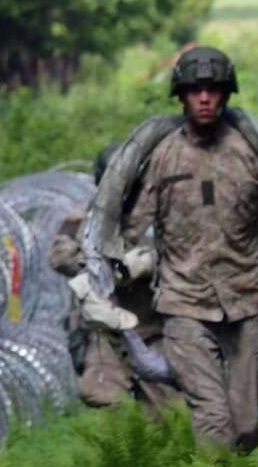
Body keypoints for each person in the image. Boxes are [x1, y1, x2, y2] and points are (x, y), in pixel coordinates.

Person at [123, 47, 258, 451]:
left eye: (213, 89)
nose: (205, 98)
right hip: (184, 306)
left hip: (244, 302)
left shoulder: (250, 154)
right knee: (213, 419)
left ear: (227, 94)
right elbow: (128, 224)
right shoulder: (162, 156)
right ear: (182, 96)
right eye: (196, 90)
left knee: (247, 426)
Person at [49, 146, 171, 415]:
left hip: (153, 327)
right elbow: (59, 256)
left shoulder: (159, 218)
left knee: (167, 412)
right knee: (101, 394)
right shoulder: (83, 220)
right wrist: (96, 266)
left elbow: (189, 257)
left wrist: (148, 264)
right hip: (107, 331)